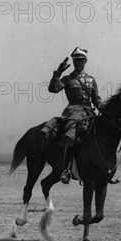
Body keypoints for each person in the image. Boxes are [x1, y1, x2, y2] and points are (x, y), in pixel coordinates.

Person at [45, 47, 103, 184]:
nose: (78, 63)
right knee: (71, 135)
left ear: (85, 61)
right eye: (76, 60)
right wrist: (58, 72)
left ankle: (105, 169)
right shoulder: (67, 79)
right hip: (73, 111)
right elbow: (53, 89)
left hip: (89, 112)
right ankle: (66, 170)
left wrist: (103, 108)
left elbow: (96, 99)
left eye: (81, 60)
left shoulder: (91, 80)